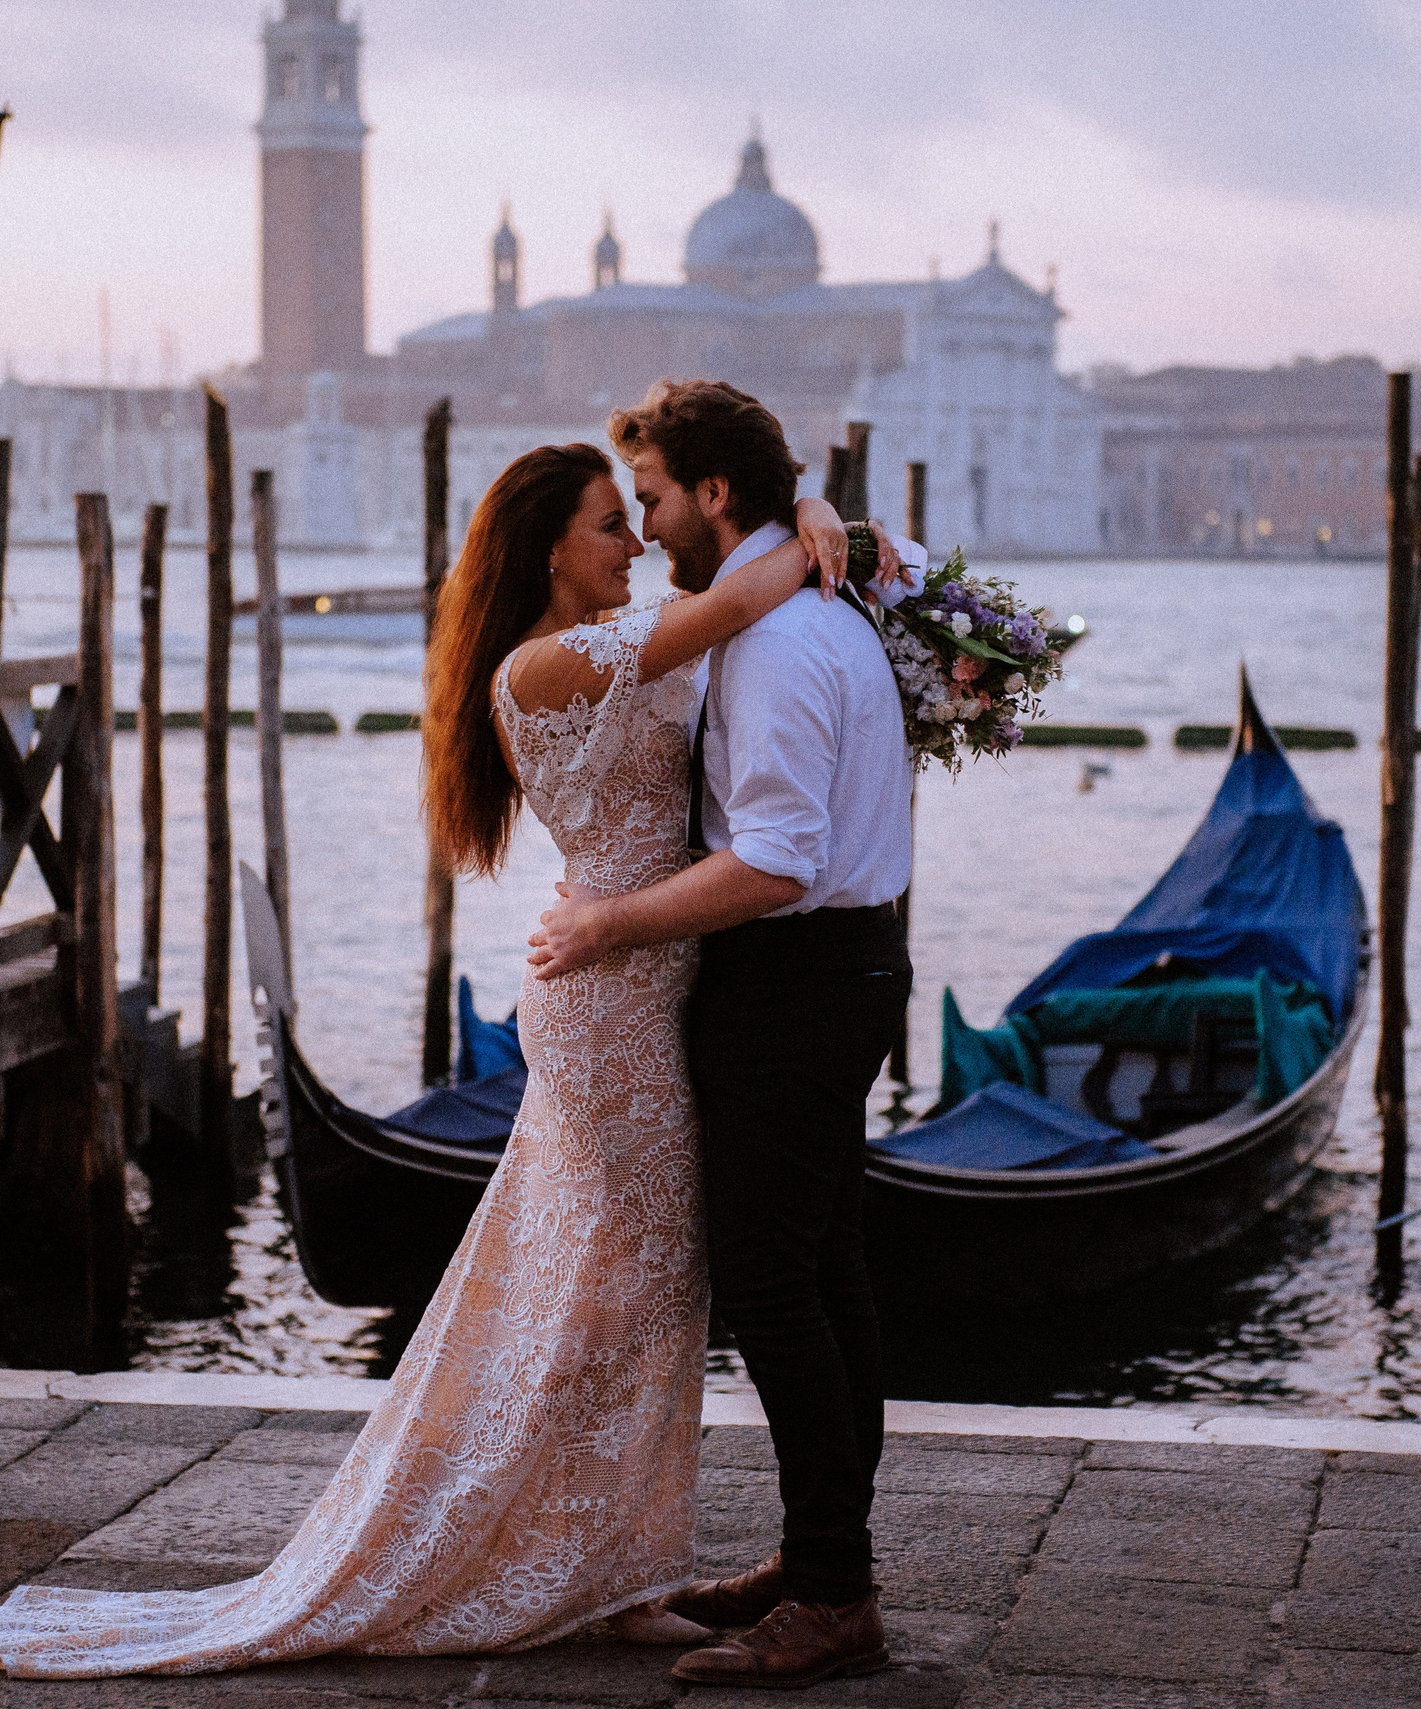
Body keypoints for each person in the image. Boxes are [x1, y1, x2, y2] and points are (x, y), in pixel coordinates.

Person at [0, 441, 871, 1679]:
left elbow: (727, 605)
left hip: (652, 989)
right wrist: (811, 522)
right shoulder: (548, 663)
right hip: (610, 1000)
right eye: (612, 524)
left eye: (634, 516)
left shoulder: (619, 636)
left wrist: (812, 510)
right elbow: (741, 599)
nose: (634, 541)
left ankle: (609, 1562)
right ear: (549, 545)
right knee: (628, 1292)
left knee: (636, 1298)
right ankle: (552, 1556)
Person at [530, 379, 921, 1690]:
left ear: (710, 495)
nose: (645, 526)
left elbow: (774, 860)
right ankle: (824, 1557)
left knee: (771, 1283)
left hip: (798, 979)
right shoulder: (797, 607)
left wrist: (614, 924)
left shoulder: (776, 644)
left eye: (651, 499)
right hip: (836, 972)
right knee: (824, 1271)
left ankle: (833, 1594)